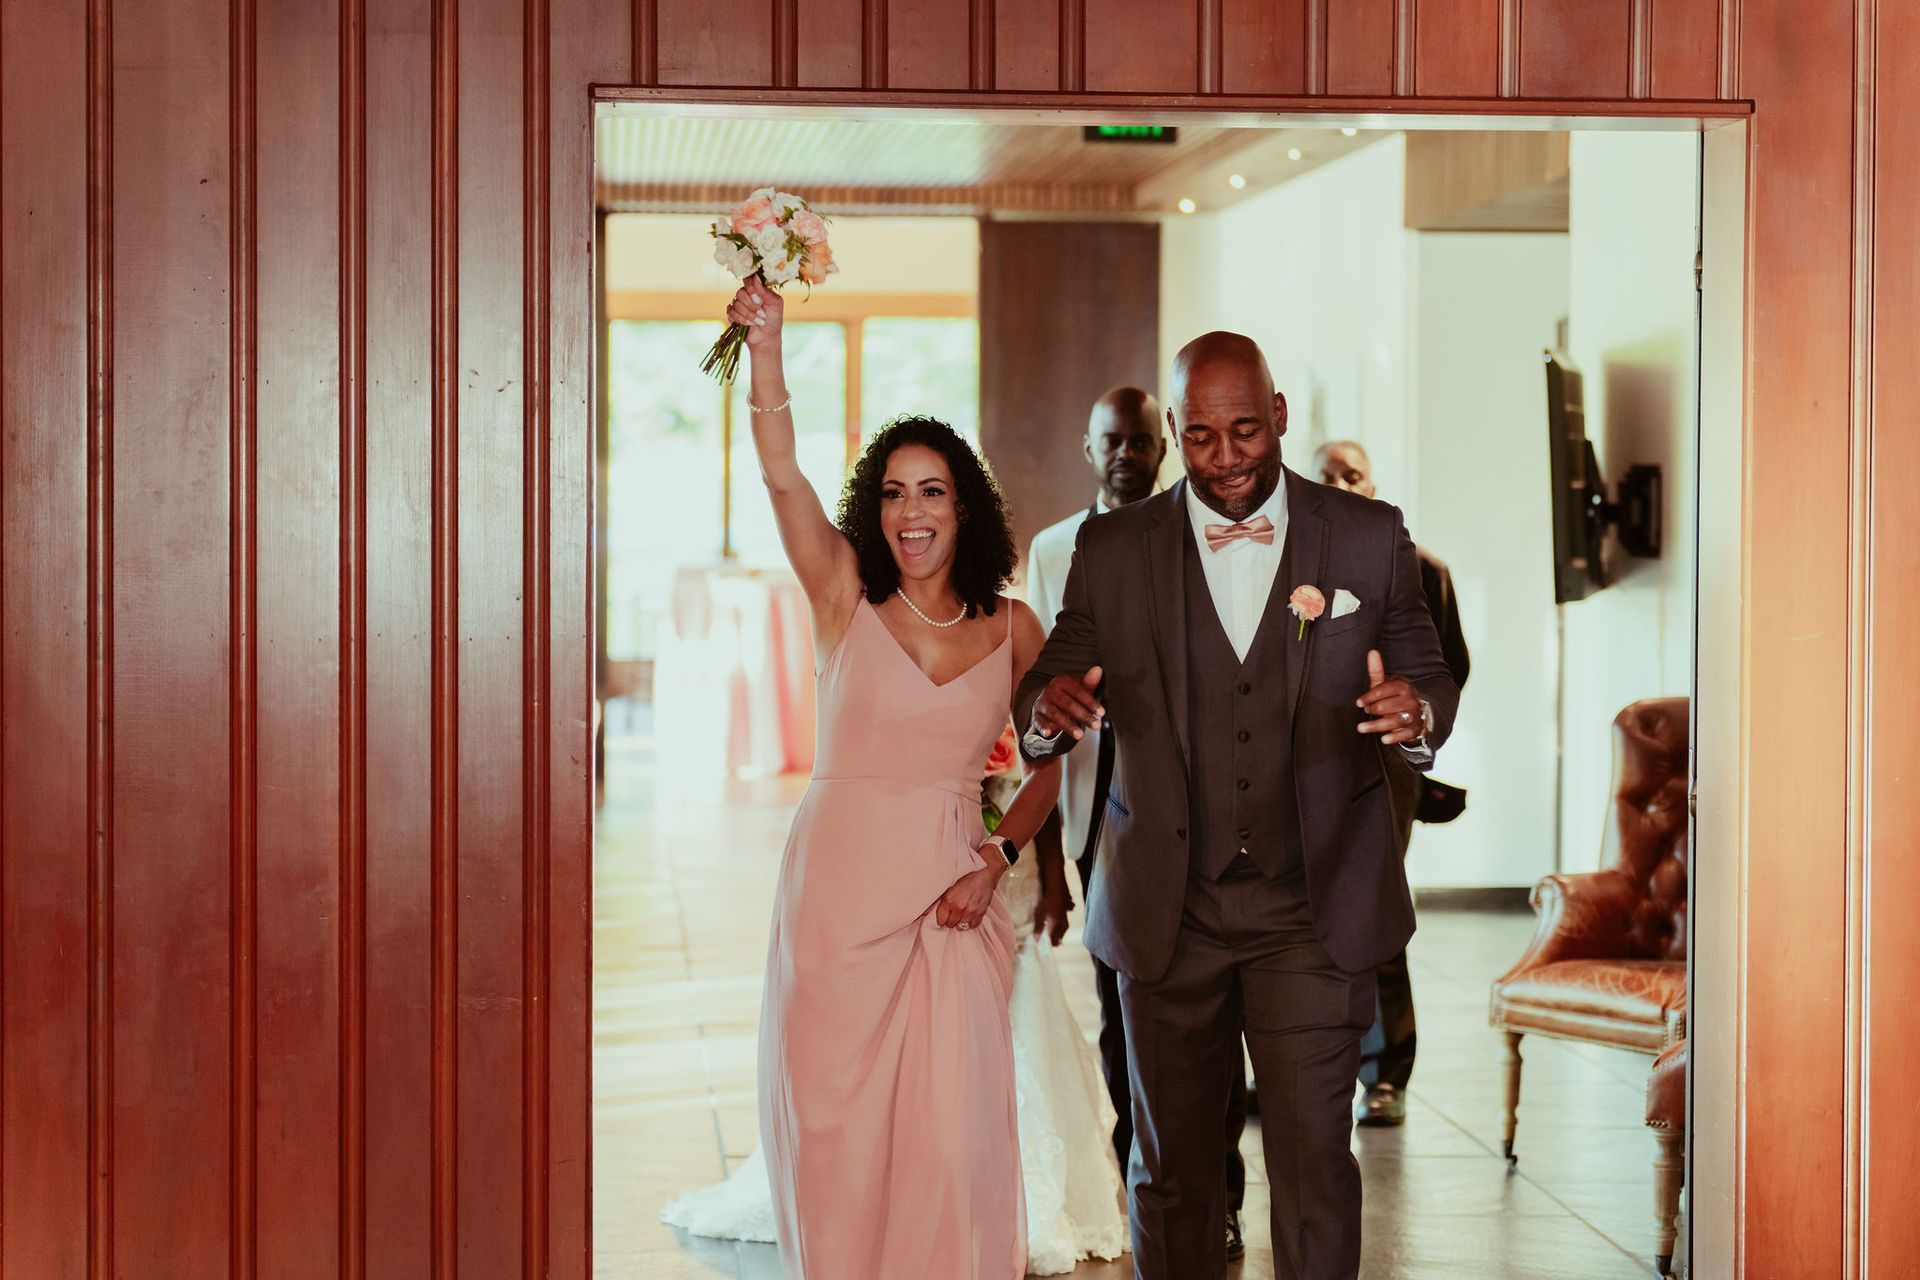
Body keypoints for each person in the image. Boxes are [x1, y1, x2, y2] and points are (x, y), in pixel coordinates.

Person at [1016, 332, 1459, 1280]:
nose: (1225, 460)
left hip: (1314, 906)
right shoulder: (1113, 546)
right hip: (1165, 909)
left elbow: (1426, 672)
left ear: (1282, 416)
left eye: (1247, 432)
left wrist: (1414, 710)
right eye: (1205, 437)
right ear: (1175, 430)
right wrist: (1047, 716)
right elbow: (1050, 677)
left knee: (1314, 1169)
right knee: (1172, 1174)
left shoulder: (1367, 536)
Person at [727, 280, 1056, 1278]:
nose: (911, 513)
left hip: (953, 905)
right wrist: (769, 346)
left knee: (951, 1146)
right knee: (835, 1143)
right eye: (893, 492)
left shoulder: (1014, 628)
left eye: (932, 490)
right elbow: (782, 473)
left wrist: (995, 860)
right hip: (836, 905)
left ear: (966, 508)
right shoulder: (843, 597)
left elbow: (1053, 762)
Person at [1026, 387, 1253, 1260]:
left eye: (1138, 441)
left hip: (1200, 816)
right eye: (1108, 442)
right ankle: (1146, 1191)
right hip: (1100, 817)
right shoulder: (1054, 551)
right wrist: (1050, 859)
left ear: (1161, 447)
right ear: (1089, 450)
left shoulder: (1204, 536)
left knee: (1214, 1017)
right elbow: (1038, 698)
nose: (1125, 455)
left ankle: (1221, 1192)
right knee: (1128, 1022)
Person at [1310, 439, 1472, 1128]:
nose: (1343, 483)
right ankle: (1303, 1066)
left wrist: (1410, 723)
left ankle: (1385, 1070)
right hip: (1309, 762)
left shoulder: (1422, 568)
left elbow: (1449, 668)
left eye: (1354, 474)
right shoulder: (1295, 571)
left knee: (1370, 902)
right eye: (1329, 477)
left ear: (1373, 483)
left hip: (1385, 766)